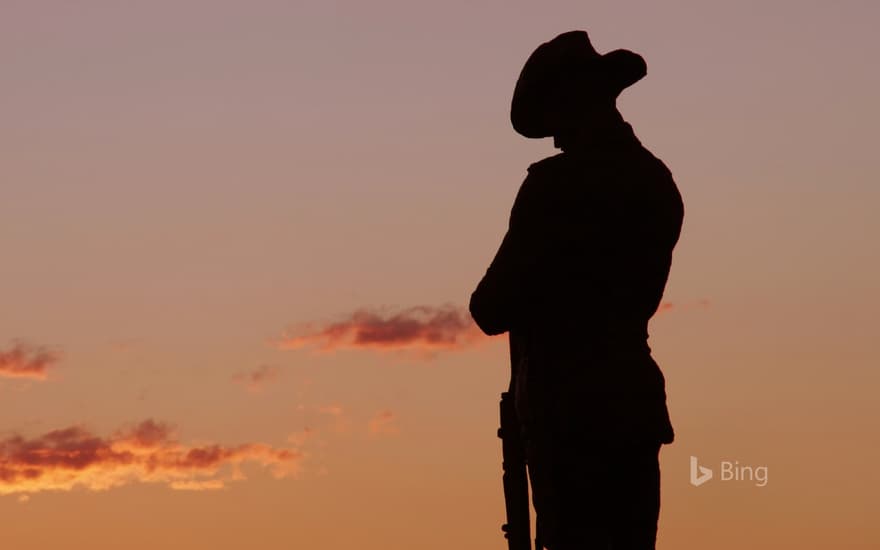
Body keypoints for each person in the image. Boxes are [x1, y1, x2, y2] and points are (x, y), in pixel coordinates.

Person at [469, 30, 684, 550]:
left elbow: (490, 306)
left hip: (568, 417)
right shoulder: (655, 179)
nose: (554, 136)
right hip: (630, 405)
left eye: (555, 118)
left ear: (570, 104)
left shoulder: (554, 187)